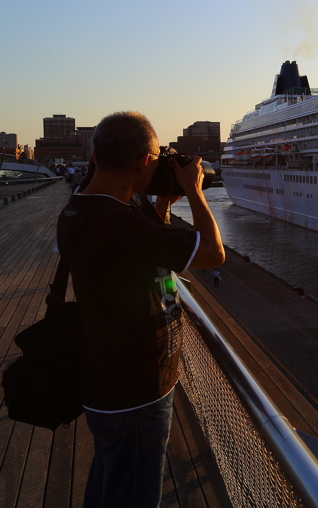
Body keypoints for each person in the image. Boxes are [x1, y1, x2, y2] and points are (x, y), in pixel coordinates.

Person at [57, 111, 224, 508]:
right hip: (134, 392)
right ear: (140, 163)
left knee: (110, 487)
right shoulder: (116, 222)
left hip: (109, 382)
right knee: (131, 496)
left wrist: (163, 204)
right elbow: (213, 254)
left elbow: (141, 256)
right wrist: (195, 190)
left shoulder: (81, 209)